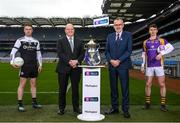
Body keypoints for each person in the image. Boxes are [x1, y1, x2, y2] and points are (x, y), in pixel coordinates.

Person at [141, 24, 174, 111]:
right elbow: (144, 54)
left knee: (162, 84)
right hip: (149, 66)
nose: (152, 31)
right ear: (149, 31)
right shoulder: (145, 42)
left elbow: (171, 47)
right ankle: (147, 103)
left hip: (159, 66)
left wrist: (161, 54)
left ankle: (163, 104)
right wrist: (142, 65)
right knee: (148, 84)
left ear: (157, 31)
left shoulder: (162, 41)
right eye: (151, 30)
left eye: (154, 29)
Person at [10, 23, 42, 112]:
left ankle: (34, 103)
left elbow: (39, 54)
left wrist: (40, 64)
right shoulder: (20, 40)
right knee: (22, 84)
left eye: (30, 29)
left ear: (32, 30)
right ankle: (20, 104)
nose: (28, 30)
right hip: (24, 66)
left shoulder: (36, 41)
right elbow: (13, 52)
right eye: (26, 29)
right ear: (24, 30)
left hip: (34, 66)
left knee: (33, 84)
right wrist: (12, 62)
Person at [105, 18, 132, 118]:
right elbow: (106, 51)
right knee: (113, 88)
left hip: (123, 66)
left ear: (123, 25)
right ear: (113, 26)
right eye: (116, 24)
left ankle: (125, 110)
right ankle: (114, 108)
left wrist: (119, 61)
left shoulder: (128, 35)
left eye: (119, 24)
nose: (118, 26)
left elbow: (129, 51)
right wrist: (111, 60)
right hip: (112, 66)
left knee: (124, 88)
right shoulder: (110, 36)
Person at [56, 23, 84, 115]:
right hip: (63, 68)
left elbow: (82, 54)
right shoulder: (60, 41)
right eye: (68, 29)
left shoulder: (79, 41)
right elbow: (60, 53)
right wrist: (69, 61)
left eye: (71, 29)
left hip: (76, 68)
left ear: (74, 30)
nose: (70, 31)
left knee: (75, 89)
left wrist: (76, 61)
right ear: (65, 30)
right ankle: (61, 108)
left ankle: (76, 108)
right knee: (62, 89)